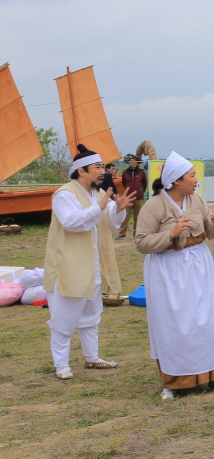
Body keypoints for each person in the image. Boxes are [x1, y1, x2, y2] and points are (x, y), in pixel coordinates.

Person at [135, 152, 214, 400]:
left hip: (199, 266)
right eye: (192, 176)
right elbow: (142, 243)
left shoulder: (197, 200)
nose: (196, 179)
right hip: (168, 270)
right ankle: (174, 382)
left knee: (206, 319)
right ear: (176, 181)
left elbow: (208, 232)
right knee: (175, 322)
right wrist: (171, 233)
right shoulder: (154, 205)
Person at [43, 145, 135, 380]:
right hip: (69, 265)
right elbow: (72, 222)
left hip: (92, 265)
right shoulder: (64, 194)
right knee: (64, 318)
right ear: (81, 171)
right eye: (97, 167)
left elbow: (110, 224)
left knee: (91, 315)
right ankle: (61, 365)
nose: (102, 172)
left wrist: (119, 209)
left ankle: (92, 357)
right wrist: (102, 205)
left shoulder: (96, 194)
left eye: (103, 167)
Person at [117, 154, 148, 239]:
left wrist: (140, 191)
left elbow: (145, 183)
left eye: (134, 161)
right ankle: (122, 233)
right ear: (128, 163)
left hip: (138, 197)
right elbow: (124, 183)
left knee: (137, 216)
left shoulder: (142, 173)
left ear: (137, 162)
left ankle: (136, 233)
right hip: (128, 198)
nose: (133, 163)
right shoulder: (125, 173)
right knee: (125, 215)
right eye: (131, 161)